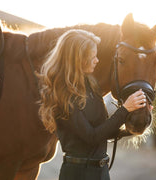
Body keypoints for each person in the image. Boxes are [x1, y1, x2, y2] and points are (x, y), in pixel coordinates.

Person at [38, 29, 146, 180]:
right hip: (78, 174)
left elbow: (102, 132)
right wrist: (124, 109)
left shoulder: (91, 86)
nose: (97, 60)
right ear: (78, 59)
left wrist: (133, 126)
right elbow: (91, 136)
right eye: (93, 57)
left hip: (101, 173)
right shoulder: (63, 95)